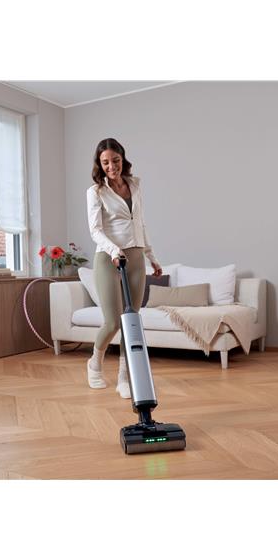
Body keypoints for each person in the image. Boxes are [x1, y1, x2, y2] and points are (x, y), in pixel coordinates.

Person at [86, 138, 162, 399]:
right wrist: (113, 250)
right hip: (109, 258)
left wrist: (151, 257)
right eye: (105, 162)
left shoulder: (135, 185)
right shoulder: (95, 192)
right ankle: (94, 365)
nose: (111, 167)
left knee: (131, 321)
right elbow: (95, 230)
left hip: (136, 257)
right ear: (100, 164)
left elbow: (140, 223)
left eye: (115, 160)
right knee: (112, 322)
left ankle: (124, 377)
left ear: (123, 159)